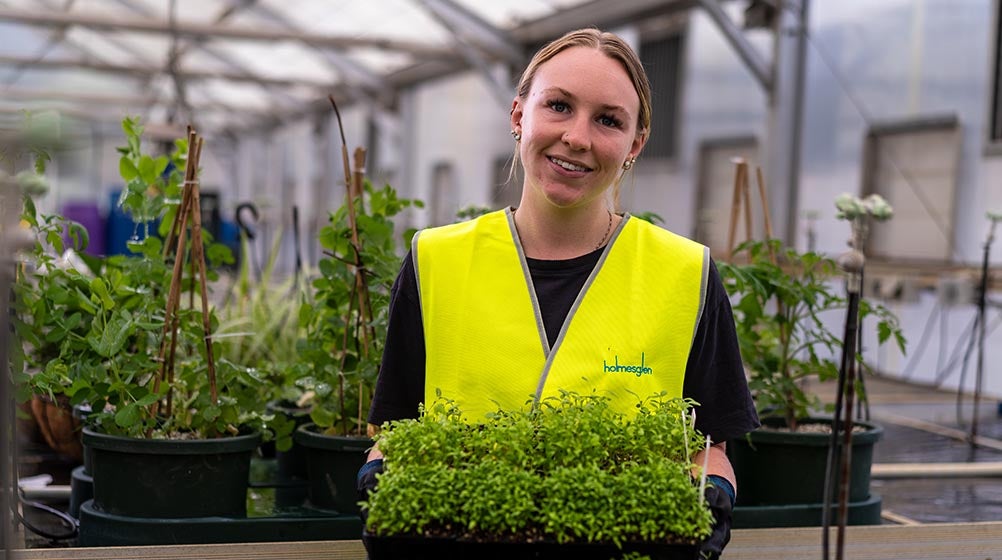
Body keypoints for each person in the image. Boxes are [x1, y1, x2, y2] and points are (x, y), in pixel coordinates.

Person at [357, 27, 759, 559]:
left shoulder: (685, 272)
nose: (577, 136)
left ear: (635, 144)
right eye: (559, 106)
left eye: (608, 120)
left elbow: (709, 448)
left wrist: (714, 492)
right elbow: (395, 432)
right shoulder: (436, 260)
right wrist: (378, 473)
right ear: (519, 116)